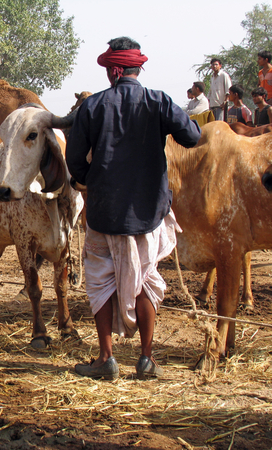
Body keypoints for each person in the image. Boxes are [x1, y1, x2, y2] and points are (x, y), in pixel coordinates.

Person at [66, 37, 201, 380]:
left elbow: (75, 162)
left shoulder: (92, 107)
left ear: (113, 70)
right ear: (137, 68)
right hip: (148, 214)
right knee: (145, 279)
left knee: (99, 282)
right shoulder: (158, 101)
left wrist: (91, 180)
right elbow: (193, 137)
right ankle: (145, 359)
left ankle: (106, 359)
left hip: (103, 212)